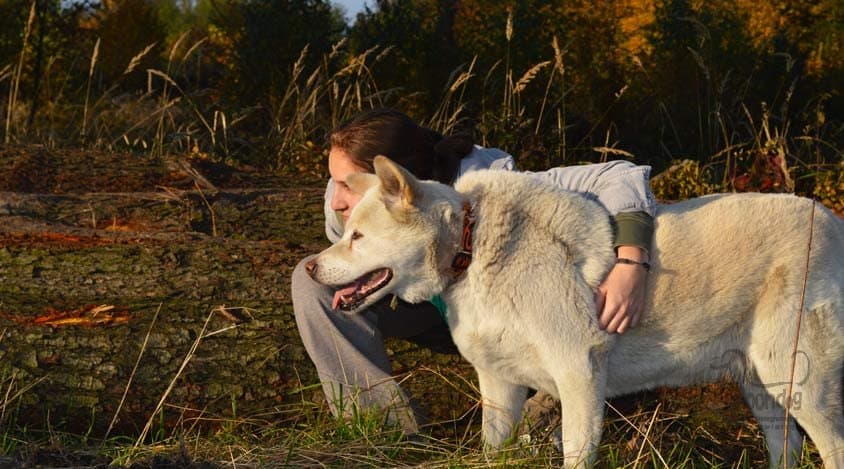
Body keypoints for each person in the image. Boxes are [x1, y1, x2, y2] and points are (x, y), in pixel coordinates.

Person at [292, 108, 655, 436]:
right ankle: (384, 427)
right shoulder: (340, 207)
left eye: (346, 184)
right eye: (334, 181)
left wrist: (631, 263)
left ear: (395, 182)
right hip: (428, 312)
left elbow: (621, 176)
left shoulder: (491, 182)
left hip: (507, 316)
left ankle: (551, 399)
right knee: (312, 287)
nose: (335, 199)